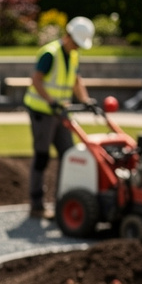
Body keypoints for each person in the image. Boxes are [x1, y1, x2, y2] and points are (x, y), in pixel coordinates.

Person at [23, 15, 97, 218]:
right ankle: (36, 205)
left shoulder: (73, 55)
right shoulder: (50, 54)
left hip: (61, 113)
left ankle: (62, 202)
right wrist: (51, 102)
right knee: (42, 156)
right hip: (42, 112)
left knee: (69, 155)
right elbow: (36, 81)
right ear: (68, 36)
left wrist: (86, 100)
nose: (77, 47)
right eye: (76, 43)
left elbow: (76, 80)